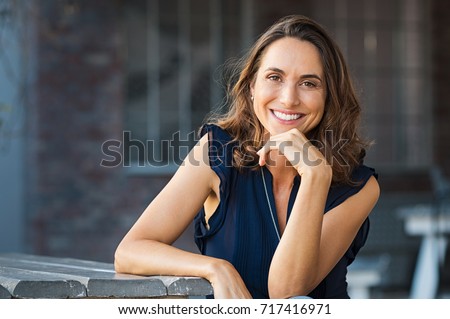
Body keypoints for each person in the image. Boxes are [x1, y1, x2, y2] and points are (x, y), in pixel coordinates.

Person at [114, 14, 380, 299]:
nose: (289, 99)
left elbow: (285, 292)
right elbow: (130, 251)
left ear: (329, 96)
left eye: (309, 83)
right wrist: (216, 268)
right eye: (274, 77)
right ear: (252, 86)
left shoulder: (359, 186)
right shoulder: (216, 151)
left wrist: (316, 175)